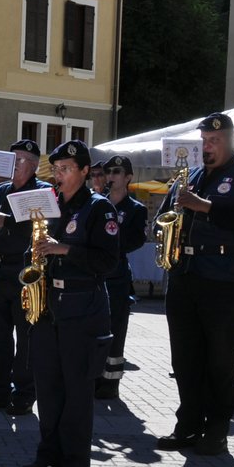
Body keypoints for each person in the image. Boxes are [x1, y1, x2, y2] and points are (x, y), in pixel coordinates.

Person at [155, 112, 234, 457]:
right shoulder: (188, 176)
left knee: (220, 357)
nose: (208, 147)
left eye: (215, 141)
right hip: (186, 273)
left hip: (227, 277)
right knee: (185, 357)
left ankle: (217, 428)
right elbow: (165, 216)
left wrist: (204, 206)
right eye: (204, 140)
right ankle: (188, 424)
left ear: (231, 141)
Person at [21, 141, 118, 467]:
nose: (58, 175)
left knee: (77, 390)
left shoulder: (99, 209)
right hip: (49, 306)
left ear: (84, 172)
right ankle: (48, 456)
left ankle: (74, 463)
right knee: (48, 387)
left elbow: (108, 262)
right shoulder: (49, 205)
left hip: (82, 307)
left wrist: (64, 249)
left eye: (65, 169)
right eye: (56, 169)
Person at [0, 139, 51, 417]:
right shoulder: (0, 189)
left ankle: (24, 393)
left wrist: (5, 220)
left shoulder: (43, 191)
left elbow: (43, 222)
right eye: (11, 159)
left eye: (18, 160)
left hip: (25, 271)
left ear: (32, 166)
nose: (13, 165)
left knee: (26, 336)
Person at [96, 154, 149, 400]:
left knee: (116, 331)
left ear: (128, 177)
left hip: (117, 276)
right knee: (94, 329)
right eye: (108, 172)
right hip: (95, 275)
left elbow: (137, 240)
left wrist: (110, 244)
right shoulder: (97, 203)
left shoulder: (135, 209)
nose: (111, 176)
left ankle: (111, 383)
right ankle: (94, 376)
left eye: (117, 172)